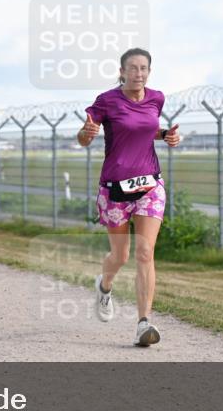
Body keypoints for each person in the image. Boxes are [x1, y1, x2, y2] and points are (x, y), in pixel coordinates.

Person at [77, 48, 180, 347]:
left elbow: (145, 131)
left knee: (145, 252)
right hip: (115, 188)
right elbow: (83, 138)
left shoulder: (156, 98)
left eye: (144, 68)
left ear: (150, 71)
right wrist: (87, 133)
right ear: (121, 71)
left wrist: (166, 136)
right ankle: (104, 285)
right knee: (120, 256)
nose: (138, 73)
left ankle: (143, 324)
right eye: (133, 68)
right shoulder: (107, 101)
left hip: (149, 185)